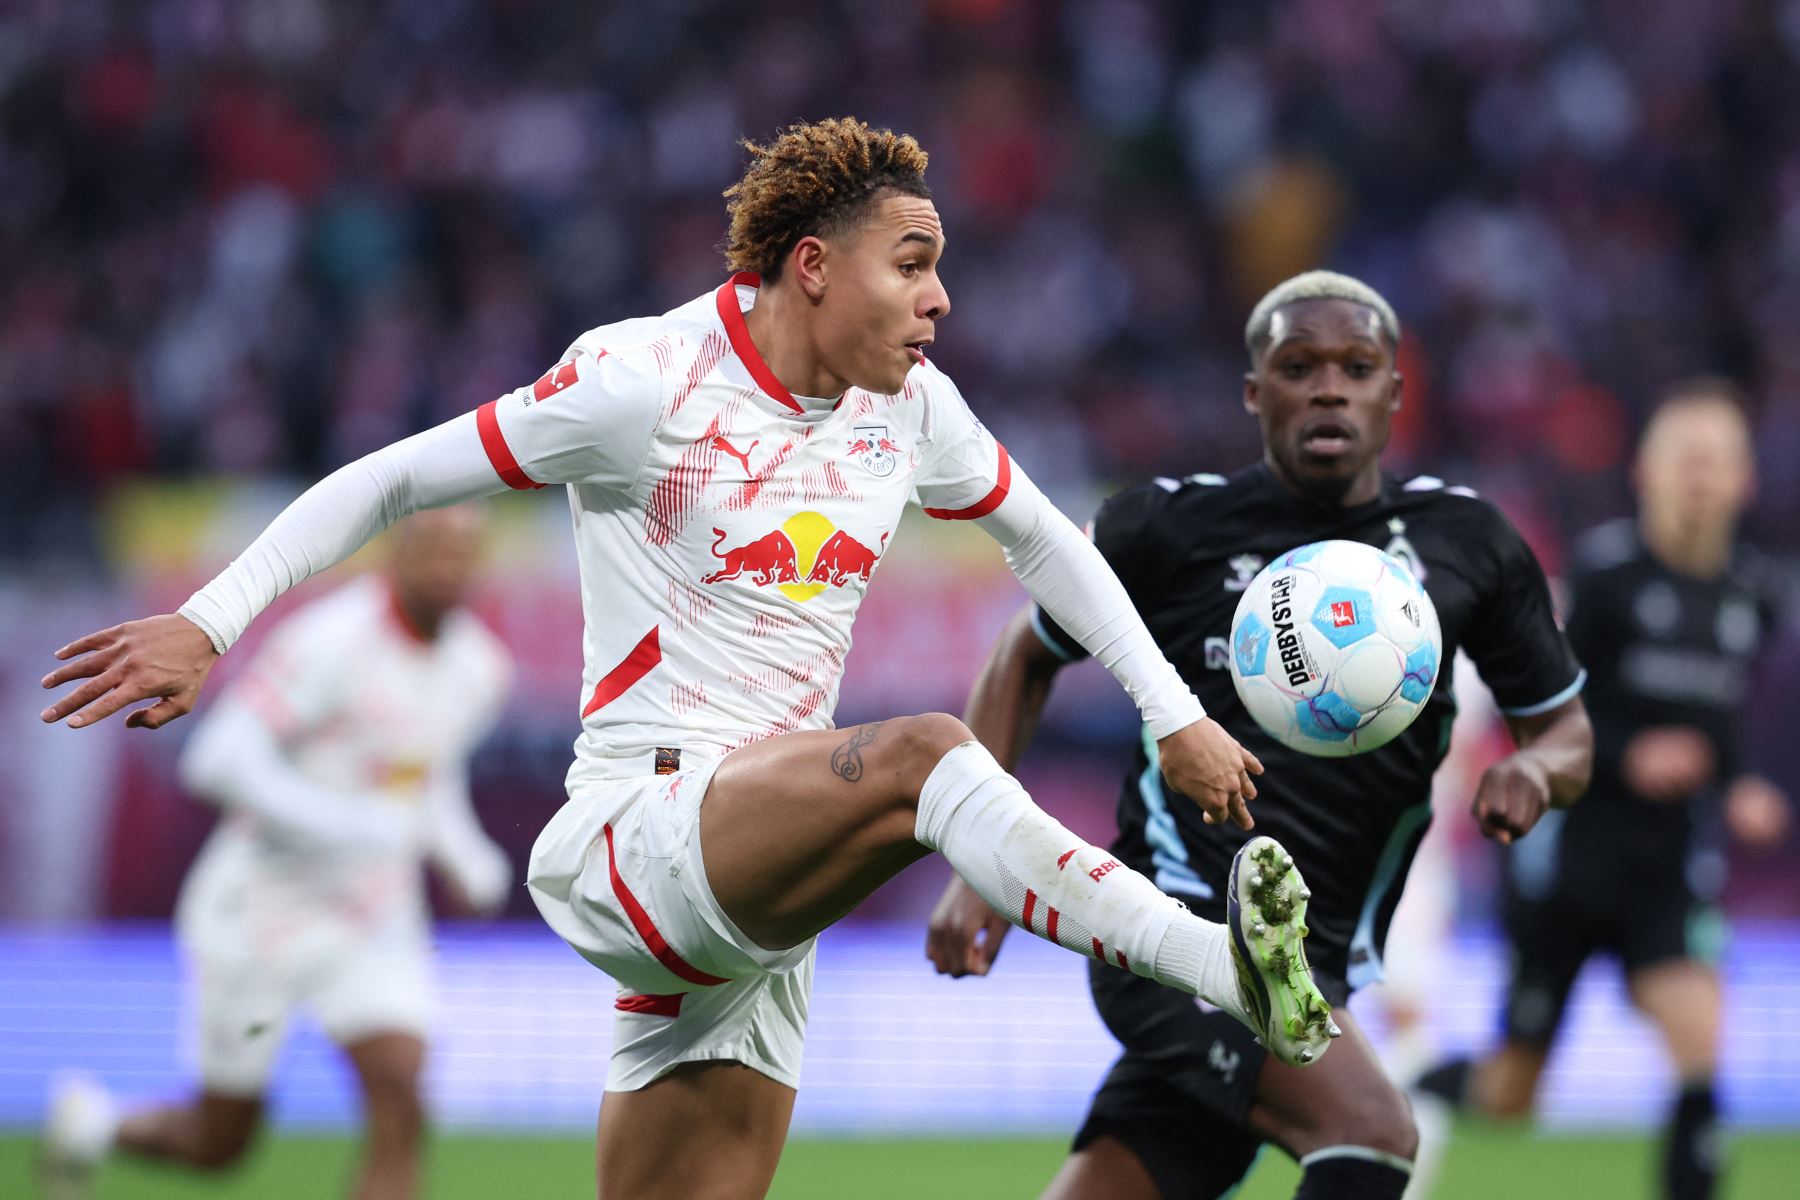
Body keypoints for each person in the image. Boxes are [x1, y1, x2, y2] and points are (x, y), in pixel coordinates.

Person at [38, 118, 1337, 1200]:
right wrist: (210, 619)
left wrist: (1172, 713)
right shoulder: (642, 382)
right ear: (816, 266)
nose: (943, 296)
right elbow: (388, 480)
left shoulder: (912, 406)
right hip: (637, 831)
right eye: (915, 262)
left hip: (757, 899)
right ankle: (1225, 969)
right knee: (925, 756)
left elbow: (1048, 541)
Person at [924, 270, 1593, 1200]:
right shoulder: (1164, 528)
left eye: (1357, 367)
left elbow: (1564, 731)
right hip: (1168, 928)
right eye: (1298, 365)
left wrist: (1536, 773)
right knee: (1373, 1132)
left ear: (1395, 392)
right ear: (1254, 391)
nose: (1329, 386)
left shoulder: (1469, 546)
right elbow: (1023, 653)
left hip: (1313, 960)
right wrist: (979, 862)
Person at [40, 508, 513, 1200]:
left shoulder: (480, 669)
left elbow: (425, 771)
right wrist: (349, 823)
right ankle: (95, 1124)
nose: (449, 570)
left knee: (401, 1099)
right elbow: (217, 759)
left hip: (371, 914)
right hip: (261, 909)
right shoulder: (331, 641)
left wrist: (462, 850)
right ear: (396, 554)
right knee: (219, 1144)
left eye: (464, 555)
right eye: (434, 551)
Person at [1417, 380, 1791, 1200]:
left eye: (1718, 459)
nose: (1702, 476)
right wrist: (1628, 758)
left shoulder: (1753, 594)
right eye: (1686, 458)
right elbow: (1545, 706)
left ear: (1743, 480)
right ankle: (1404, 1091)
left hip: (1666, 868)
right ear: (1648, 473)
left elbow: (1716, 720)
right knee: (1512, 1097)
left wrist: (1735, 785)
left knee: (1702, 1057)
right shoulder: (1609, 575)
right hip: (1569, 864)